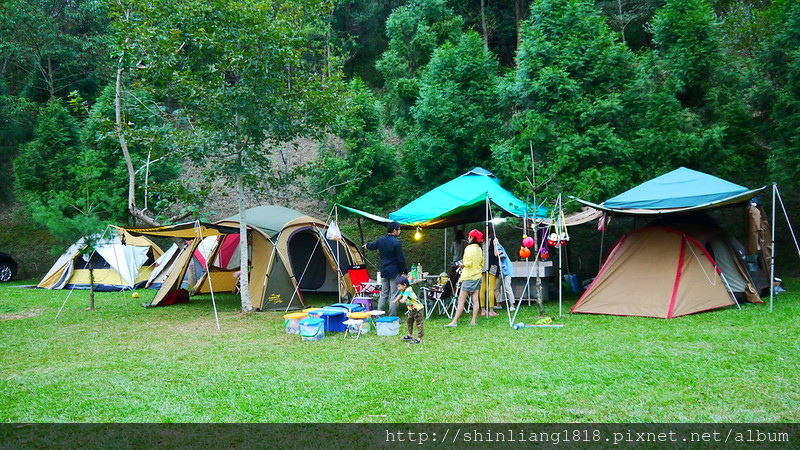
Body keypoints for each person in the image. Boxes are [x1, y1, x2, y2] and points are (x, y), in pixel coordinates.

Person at [363, 221, 407, 316]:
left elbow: (373, 246)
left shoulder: (380, 240)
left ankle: (379, 315)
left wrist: (367, 245)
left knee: (383, 294)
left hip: (384, 271)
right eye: (399, 230)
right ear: (394, 231)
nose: (399, 231)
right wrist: (404, 271)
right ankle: (392, 316)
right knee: (394, 294)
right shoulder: (396, 242)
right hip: (394, 271)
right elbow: (400, 259)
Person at [444, 229, 484, 327]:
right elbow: (482, 263)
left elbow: (468, 263)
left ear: (471, 238)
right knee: (475, 300)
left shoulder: (469, 248)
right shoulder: (479, 249)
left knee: (461, 300)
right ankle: (473, 321)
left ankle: (454, 321)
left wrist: (462, 265)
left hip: (468, 277)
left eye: (469, 237)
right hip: (478, 276)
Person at [391, 276, 423, 344]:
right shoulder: (404, 290)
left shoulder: (408, 290)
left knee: (419, 324)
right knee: (409, 322)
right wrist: (395, 301)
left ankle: (419, 338)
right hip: (412, 310)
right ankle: (410, 335)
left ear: (404, 285)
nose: (398, 288)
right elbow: (400, 295)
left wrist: (403, 300)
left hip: (418, 309)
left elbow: (405, 296)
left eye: (399, 286)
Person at [479, 230, 500, 316]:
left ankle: (483, 310)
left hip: (483, 266)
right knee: (491, 288)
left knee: (482, 288)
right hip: (493, 266)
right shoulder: (494, 239)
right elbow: (495, 253)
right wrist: (500, 253)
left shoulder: (482, 241)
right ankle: (491, 310)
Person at [442, 229, 466, 299]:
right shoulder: (465, 242)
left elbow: (451, 251)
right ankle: (460, 293)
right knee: (461, 280)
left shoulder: (454, 242)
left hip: (455, 261)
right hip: (462, 262)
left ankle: (453, 292)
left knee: (453, 278)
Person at [495, 241, 516, 311]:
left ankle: (512, 305)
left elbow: (502, 255)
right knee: (496, 287)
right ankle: (498, 304)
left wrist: (495, 256)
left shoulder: (498, 247)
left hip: (506, 270)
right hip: (500, 271)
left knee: (507, 287)